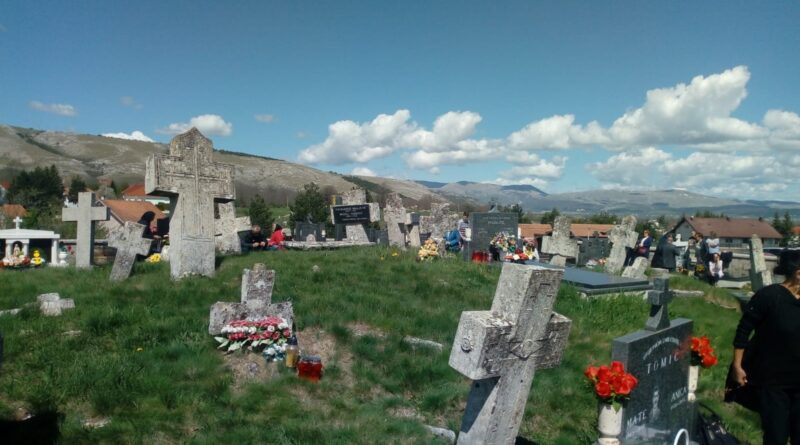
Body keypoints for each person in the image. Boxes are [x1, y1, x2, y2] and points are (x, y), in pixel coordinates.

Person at [732, 250, 800, 445]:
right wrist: (737, 366)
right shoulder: (769, 296)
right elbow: (743, 331)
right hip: (773, 383)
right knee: (776, 437)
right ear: (798, 273)